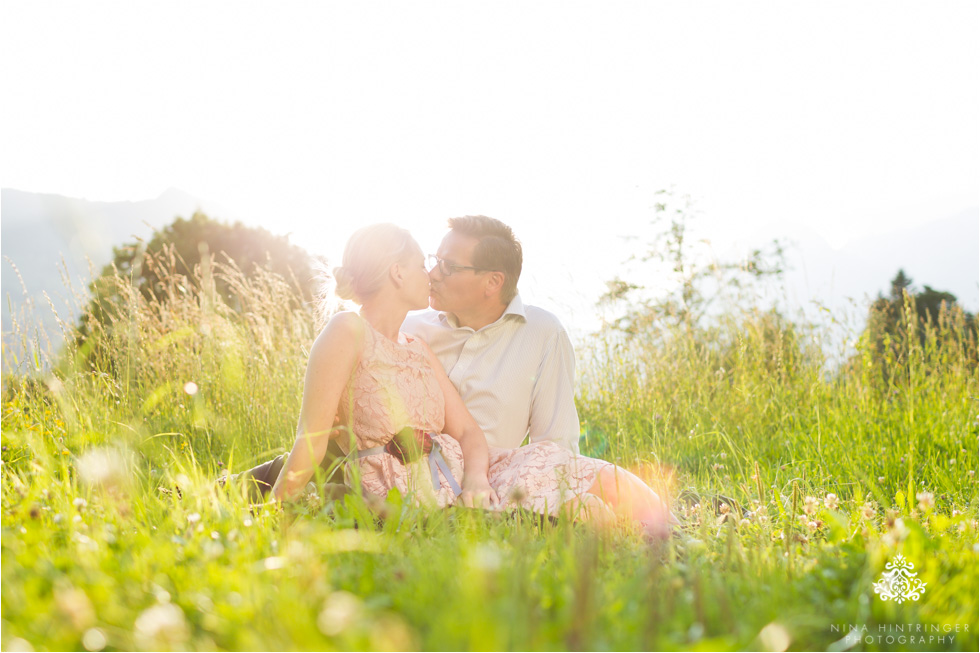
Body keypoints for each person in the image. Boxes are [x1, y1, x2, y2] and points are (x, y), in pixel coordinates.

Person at [269, 222, 676, 539]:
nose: (431, 273)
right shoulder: (348, 331)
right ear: (396, 273)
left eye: (444, 265)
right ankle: (599, 528)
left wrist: (478, 480)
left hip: (467, 469)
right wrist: (271, 515)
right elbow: (312, 437)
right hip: (402, 487)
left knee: (599, 476)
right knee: (583, 514)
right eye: (422, 263)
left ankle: (677, 530)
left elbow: (468, 430)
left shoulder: (417, 344)